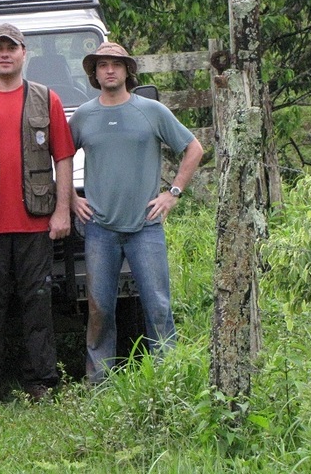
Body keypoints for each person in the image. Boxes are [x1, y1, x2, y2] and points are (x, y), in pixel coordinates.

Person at [0, 23, 75, 405]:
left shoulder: (47, 99)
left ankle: (41, 381)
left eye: (12, 47)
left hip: (36, 222)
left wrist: (62, 210)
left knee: (38, 303)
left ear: (25, 53)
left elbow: (64, 159)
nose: (5, 53)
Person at [68, 41, 204, 384]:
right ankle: (100, 379)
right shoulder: (83, 115)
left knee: (158, 304)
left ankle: (168, 376)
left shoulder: (151, 110)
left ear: (128, 70)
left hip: (146, 226)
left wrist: (172, 193)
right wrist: (70, 197)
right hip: (99, 226)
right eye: (102, 65)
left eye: (115, 64)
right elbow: (62, 158)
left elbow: (193, 148)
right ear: (94, 74)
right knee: (99, 307)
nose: (109, 70)